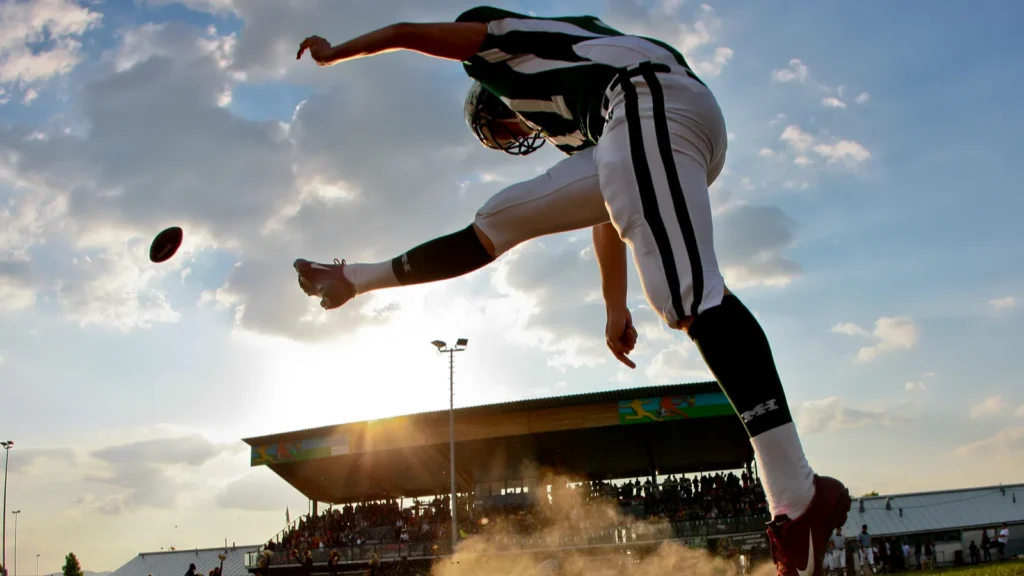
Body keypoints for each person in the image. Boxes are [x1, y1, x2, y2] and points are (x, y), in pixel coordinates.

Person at [294, 7, 851, 575]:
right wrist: (614, 307)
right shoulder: (581, 118)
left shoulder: (498, 49)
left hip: (648, 99)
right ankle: (354, 279)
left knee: (690, 295)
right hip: (643, 119)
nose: (514, 134)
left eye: (505, 126)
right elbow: (607, 214)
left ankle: (800, 498)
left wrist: (337, 51)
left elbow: (410, 33)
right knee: (498, 220)